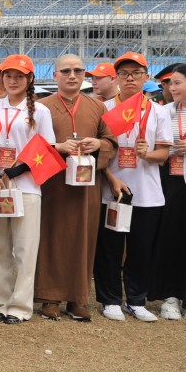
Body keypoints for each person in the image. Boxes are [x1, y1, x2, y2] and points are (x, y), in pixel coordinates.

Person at [34, 54, 116, 322]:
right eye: (66, 71)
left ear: (85, 75)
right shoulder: (41, 107)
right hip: (53, 183)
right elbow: (32, 145)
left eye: (78, 70)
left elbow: (111, 142)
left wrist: (98, 145)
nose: (72, 75)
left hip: (86, 184)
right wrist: (58, 147)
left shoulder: (98, 107)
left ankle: (78, 298)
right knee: (51, 237)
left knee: (84, 237)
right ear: (55, 75)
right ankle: (50, 297)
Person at [95, 52, 172, 322]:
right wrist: (109, 177)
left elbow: (164, 154)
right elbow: (99, 153)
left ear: (146, 77)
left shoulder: (159, 112)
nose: (130, 78)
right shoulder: (104, 109)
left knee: (140, 249)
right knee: (109, 248)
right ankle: (110, 299)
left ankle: (137, 300)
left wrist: (147, 154)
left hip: (148, 193)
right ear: (116, 78)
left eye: (136, 73)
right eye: (124, 73)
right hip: (113, 190)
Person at [0, 54, 56, 324]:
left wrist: (16, 170)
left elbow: (46, 146)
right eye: (8, 76)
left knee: (25, 248)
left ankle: (19, 306)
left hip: (26, 185)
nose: (12, 81)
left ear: (29, 79)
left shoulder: (40, 111)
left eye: (19, 76)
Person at [152, 64, 186, 318]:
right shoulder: (163, 111)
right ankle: (170, 296)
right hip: (170, 179)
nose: (171, 88)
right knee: (171, 237)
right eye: (170, 84)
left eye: (177, 83)